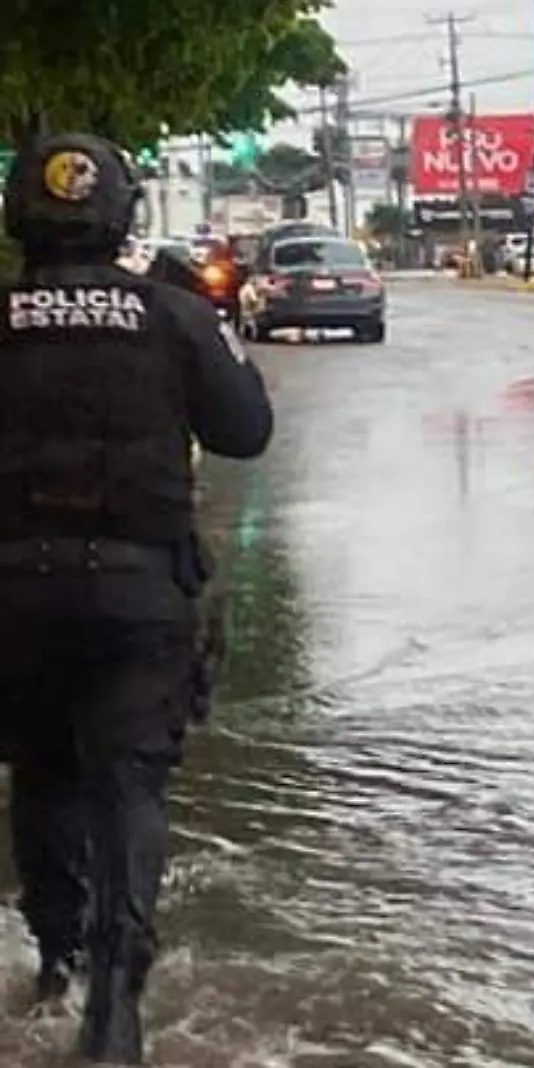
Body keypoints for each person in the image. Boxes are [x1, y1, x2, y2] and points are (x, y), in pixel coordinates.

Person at [0, 133, 275, 1063]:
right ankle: (114, 1008)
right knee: (128, 789)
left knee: (40, 774)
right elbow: (245, 434)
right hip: (137, 598)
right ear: (123, 216)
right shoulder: (173, 316)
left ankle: (54, 963)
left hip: (13, 601)